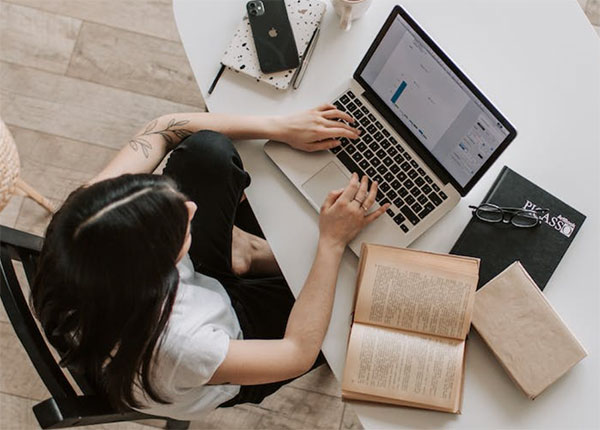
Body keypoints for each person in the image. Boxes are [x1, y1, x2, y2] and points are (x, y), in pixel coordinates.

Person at [31, 104, 389, 420]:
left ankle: (243, 254)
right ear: (157, 270)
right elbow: (296, 352)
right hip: (231, 343)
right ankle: (248, 255)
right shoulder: (184, 345)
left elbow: (161, 129)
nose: (191, 207)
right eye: (179, 227)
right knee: (357, 297)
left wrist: (279, 126)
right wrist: (330, 243)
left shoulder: (85, 222)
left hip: (174, 300)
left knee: (206, 151)